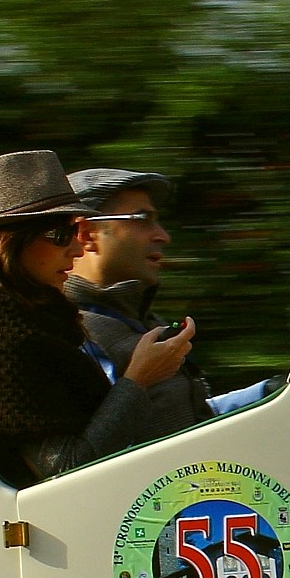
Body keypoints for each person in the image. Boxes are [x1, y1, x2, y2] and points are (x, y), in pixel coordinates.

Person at [0, 150, 194, 485]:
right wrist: (139, 380)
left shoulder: (36, 320)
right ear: (10, 242)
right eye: (60, 234)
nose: (76, 249)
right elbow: (66, 471)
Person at [66, 166, 271, 424]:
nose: (163, 236)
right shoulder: (74, 336)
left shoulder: (137, 320)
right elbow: (108, 451)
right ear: (87, 235)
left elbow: (184, 420)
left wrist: (269, 392)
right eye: (142, 218)